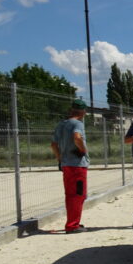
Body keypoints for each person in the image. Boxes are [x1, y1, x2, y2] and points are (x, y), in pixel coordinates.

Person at [51, 98, 90, 233]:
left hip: (66, 164)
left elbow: (53, 144)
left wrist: (60, 158)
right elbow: (77, 137)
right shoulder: (78, 124)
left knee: (70, 194)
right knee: (78, 194)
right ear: (83, 112)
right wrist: (83, 150)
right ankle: (73, 225)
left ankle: (73, 222)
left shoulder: (61, 124)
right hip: (77, 165)